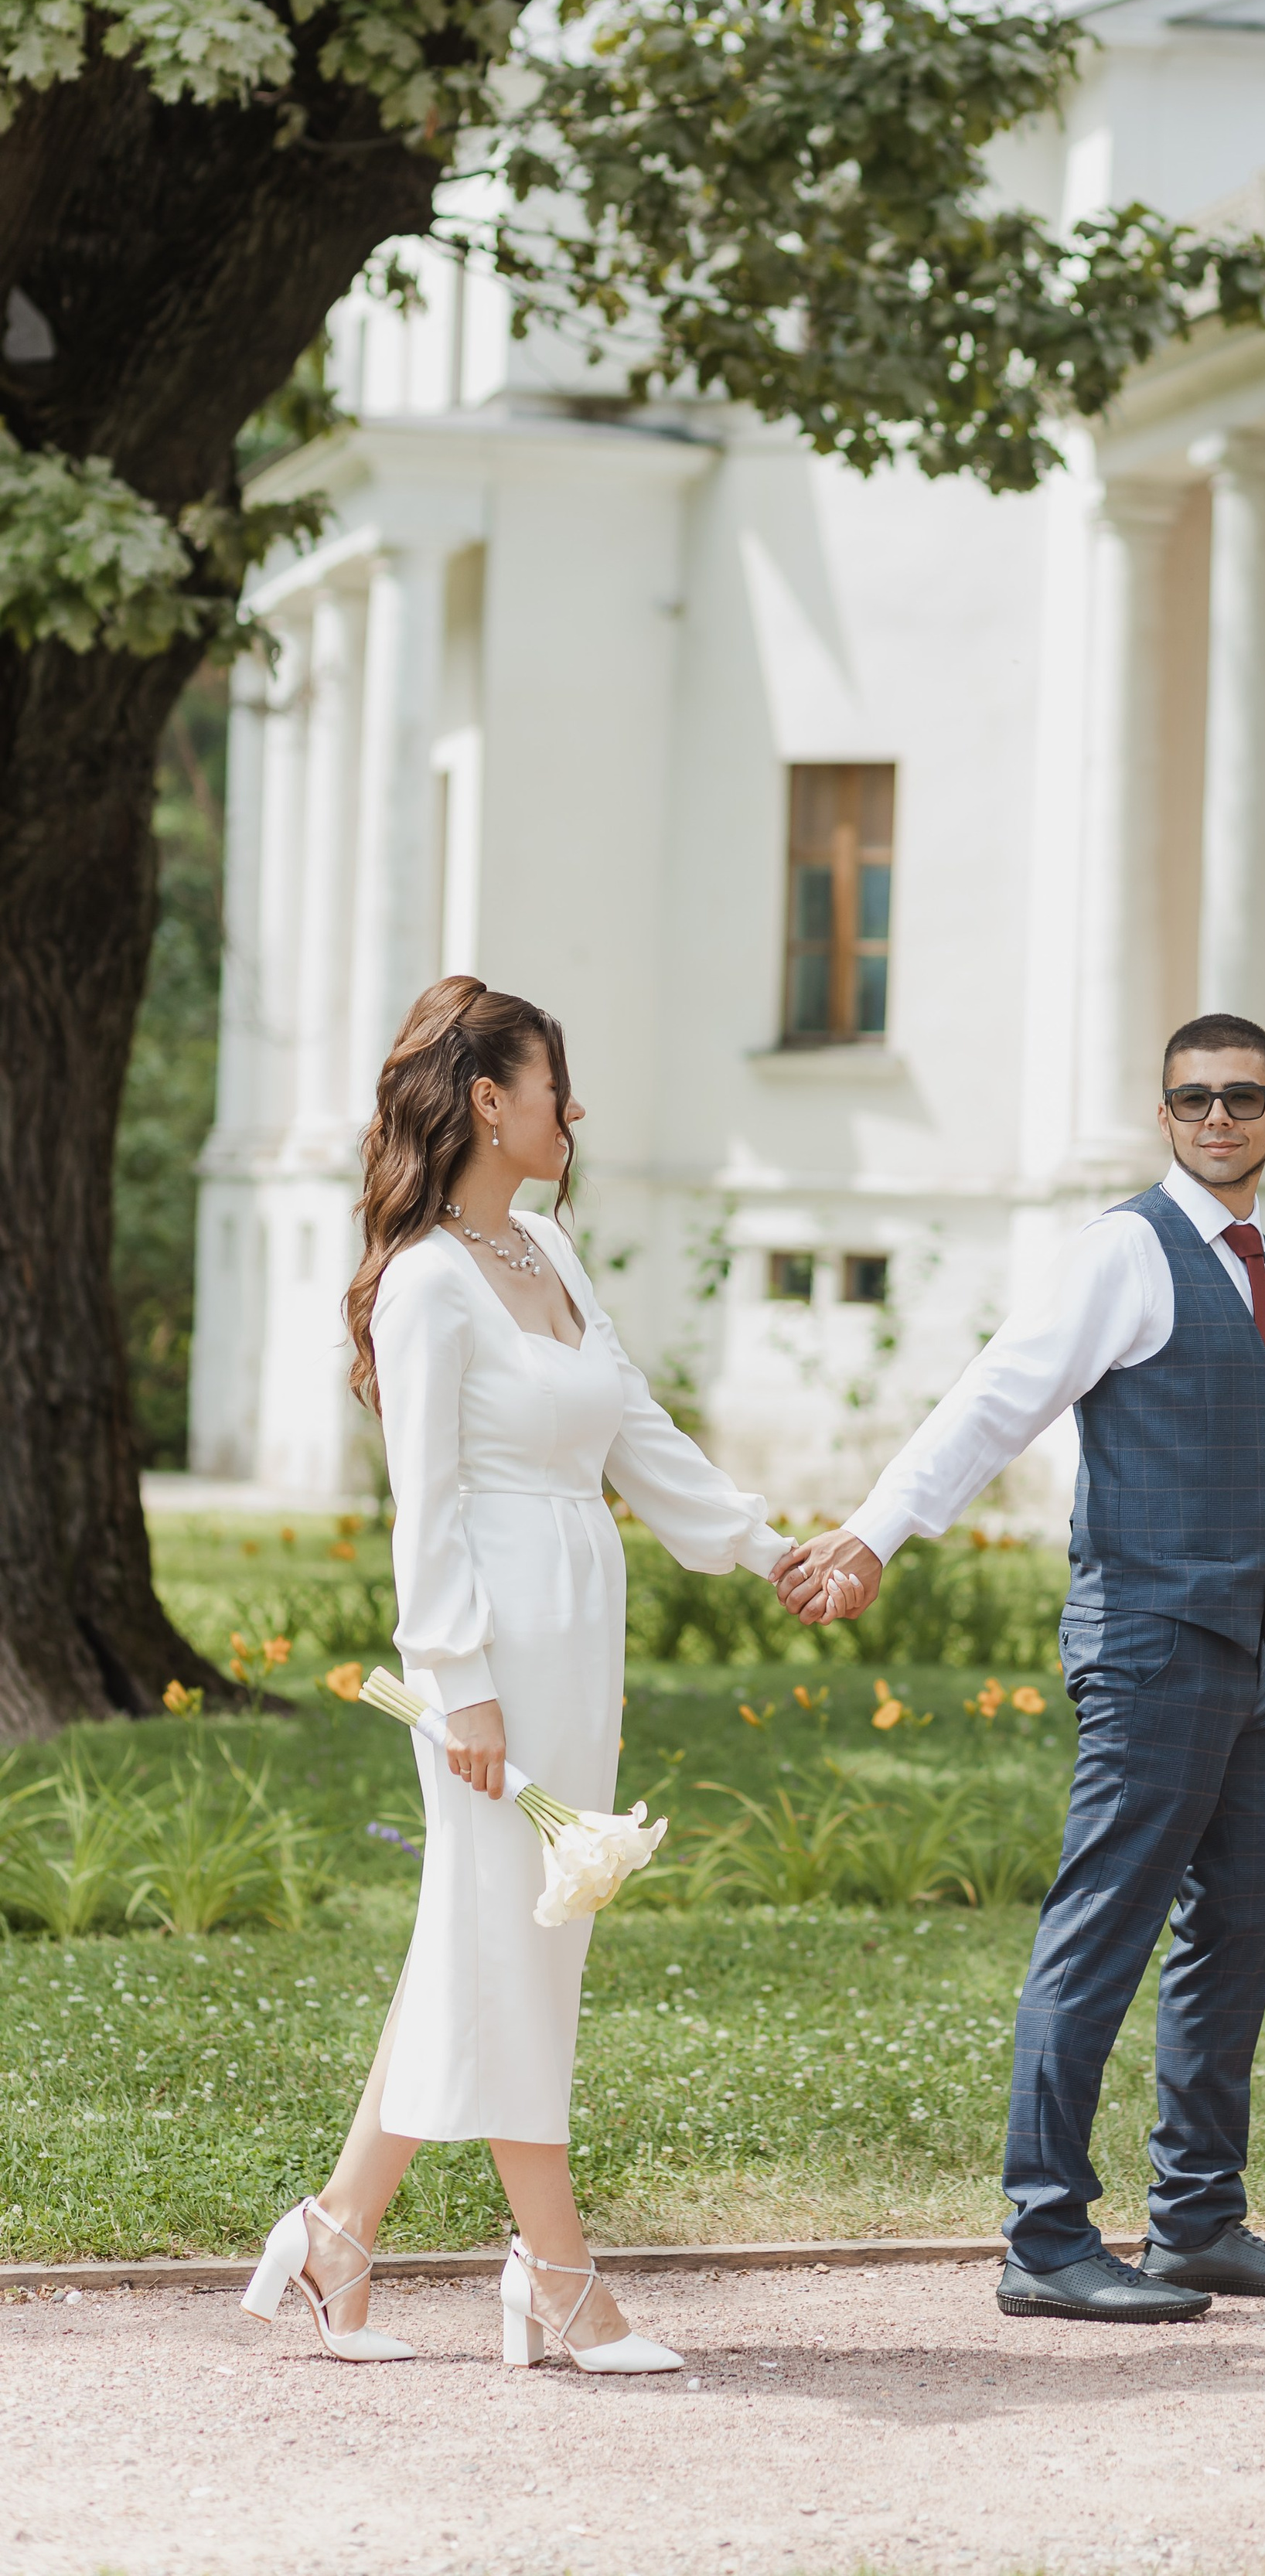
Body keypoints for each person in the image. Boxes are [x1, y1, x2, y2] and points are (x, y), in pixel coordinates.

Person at [242, 977, 793, 2372]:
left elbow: (636, 1427)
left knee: (493, 1937)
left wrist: (767, 1550)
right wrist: (461, 1685)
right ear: (491, 1102)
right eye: (556, 1086)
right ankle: (557, 2275)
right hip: (488, 1643)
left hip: (577, 1622)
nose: (575, 1108)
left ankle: (337, 2233)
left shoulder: (546, 1247)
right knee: (513, 1941)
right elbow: (423, 1505)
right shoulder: (428, 1281)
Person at [777, 1013, 1265, 2321]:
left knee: (1235, 1936)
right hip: (1148, 1643)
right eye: (1194, 1099)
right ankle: (1044, 2238)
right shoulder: (1122, 1254)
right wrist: (876, 1533)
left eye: (1243, 1098)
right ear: (1165, 1117)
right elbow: (996, 1399)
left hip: (1240, 1654)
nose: (1219, 1118)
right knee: (1102, 1930)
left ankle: (1197, 2222)